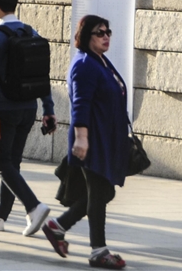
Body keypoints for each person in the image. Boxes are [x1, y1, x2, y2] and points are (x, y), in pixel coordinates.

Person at [42, 15, 130, 270]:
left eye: (108, 32)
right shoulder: (84, 64)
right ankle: (98, 251)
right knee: (100, 193)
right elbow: (80, 104)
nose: (106, 36)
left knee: (104, 192)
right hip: (92, 140)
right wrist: (82, 138)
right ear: (86, 36)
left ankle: (57, 226)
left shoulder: (99, 61)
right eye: (99, 32)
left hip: (104, 139)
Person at [0, 0, 55, 236]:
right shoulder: (30, 32)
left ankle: (34, 207)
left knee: (0, 162)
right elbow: (41, 74)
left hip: (3, 107)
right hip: (28, 108)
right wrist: (48, 108)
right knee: (12, 162)